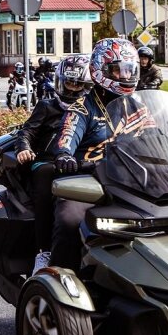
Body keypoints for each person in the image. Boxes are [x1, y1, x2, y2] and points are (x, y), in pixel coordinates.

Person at [48, 38, 139, 271]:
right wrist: (65, 156)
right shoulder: (82, 108)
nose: (126, 76)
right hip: (89, 180)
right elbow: (66, 137)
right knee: (69, 218)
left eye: (130, 69)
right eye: (119, 69)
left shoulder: (137, 106)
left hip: (130, 179)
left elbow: (159, 136)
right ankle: (59, 277)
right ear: (100, 69)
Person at [15, 55, 92, 275]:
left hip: (79, 162)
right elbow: (27, 131)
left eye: (79, 84)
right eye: (70, 82)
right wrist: (24, 148)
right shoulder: (47, 106)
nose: (74, 88)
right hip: (48, 161)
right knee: (45, 178)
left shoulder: (93, 110)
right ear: (60, 81)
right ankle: (44, 252)